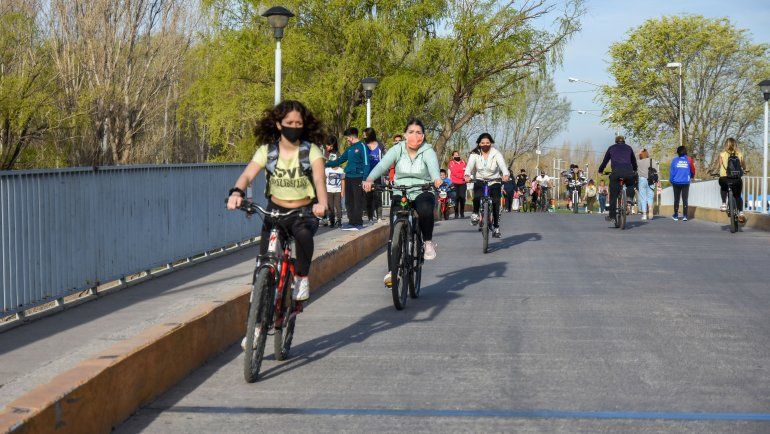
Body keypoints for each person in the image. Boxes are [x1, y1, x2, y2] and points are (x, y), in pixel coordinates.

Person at [226, 100, 327, 305]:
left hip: (303, 211)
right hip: (275, 211)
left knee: (304, 236)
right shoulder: (268, 151)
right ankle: (258, 320)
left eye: (299, 123)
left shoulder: (311, 151)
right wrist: (237, 192)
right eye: (289, 122)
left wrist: (322, 203)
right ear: (279, 124)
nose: (294, 127)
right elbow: (247, 175)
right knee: (264, 260)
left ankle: (301, 278)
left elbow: (319, 179)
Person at [363, 118, 442, 287]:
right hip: (401, 190)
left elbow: (434, 167)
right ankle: (392, 271)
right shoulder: (397, 149)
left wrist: (436, 179)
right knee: (394, 231)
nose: (415, 136)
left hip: (423, 189)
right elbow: (383, 165)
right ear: (405, 134)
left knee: (426, 210)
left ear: (423, 135)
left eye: (419, 133)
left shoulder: (427, 150)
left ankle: (427, 242)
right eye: (411, 132)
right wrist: (369, 179)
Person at [464, 133, 510, 238]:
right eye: (483, 143)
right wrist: (467, 175)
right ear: (479, 144)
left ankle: (496, 227)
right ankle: (475, 213)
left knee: (496, 202)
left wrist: (506, 174)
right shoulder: (474, 154)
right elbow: (469, 165)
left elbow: (502, 165)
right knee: (476, 197)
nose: (485, 145)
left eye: (487, 143)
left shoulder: (496, 153)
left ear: (491, 143)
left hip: (494, 180)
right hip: (480, 179)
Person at [326, 127, 370, 230]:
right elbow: (340, 160)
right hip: (348, 177)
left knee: (357, 200)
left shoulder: (362, 146)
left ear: (351, 137)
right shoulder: (349, 149)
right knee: (348, 201)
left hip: (358, 177)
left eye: (347, 138)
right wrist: (326, 164)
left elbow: (367, 164)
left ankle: (358, 222)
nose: (347, 140)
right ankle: (351, 222)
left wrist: (365, 179)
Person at [598, 135, 637, 223]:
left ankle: (612, 216)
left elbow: (605, 161)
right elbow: (634, 161)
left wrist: (600, 170)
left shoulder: (611, 148)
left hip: (616, 173)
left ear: (616, 141)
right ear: (624, 141)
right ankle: (629, 198)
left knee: (613, 195)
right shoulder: (629, 148)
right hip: (628, 172)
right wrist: (634, 170)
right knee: (631, 183)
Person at [717, 137, 746, 223]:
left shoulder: (722, 154)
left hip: (724, 179)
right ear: (735, 145)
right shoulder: (740, 154)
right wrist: (745, 169)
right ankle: (741, 213)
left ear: (726, 145)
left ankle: (723, 204)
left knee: (723, 187)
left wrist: (714, 172)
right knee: (738, 196)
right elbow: (743, 166)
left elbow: (719, 166)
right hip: (736, 179)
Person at [363, 127, 385, 223]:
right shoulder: (363, 146)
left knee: (377, 196)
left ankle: (379, 216)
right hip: (367, 175)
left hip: (377, 175)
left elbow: (385, 160)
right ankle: (370, 217)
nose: (363, 136)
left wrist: (386, 174)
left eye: (365, 134)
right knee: (368, 197)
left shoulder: (380, 145)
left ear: (370, 134)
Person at [669, 145, 695, 221]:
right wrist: (692, 176)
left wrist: (671, 180)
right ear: (685, 152)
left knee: (676, 199)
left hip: (676, 182)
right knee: (685, 199)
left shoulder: (674, 160)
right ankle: (685, 216)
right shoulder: (689, 160)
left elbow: (672, 171)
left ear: (678, 152)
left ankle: (676, 215)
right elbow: (693, 170)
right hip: (685, 182)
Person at [325, 153, 345, 228]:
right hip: (329, 191)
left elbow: (343, 181)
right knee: (330, 207)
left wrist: (342, 191)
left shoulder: (341, 170)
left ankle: (339, 221)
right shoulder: (327, 170)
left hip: (338, 191)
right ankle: (332, 222)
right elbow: (324, 180)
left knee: (338, 206)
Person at [636, 148, 655, 220]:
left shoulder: (638, 162)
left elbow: (636, 171)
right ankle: (650, 208)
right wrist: (658, 181)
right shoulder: (651, 160)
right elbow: (656, 171)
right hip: (651, 179)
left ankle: (644, 214)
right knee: (650, 196)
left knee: (643, 197)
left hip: (642, 180)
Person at [448, 150, 467, 218]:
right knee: (456, 198)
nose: (457, 156)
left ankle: (462, 212)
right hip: (454, 183)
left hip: (463, 183)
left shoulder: (463, 162)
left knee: (462, 198)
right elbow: (454, 172)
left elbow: (466, 170)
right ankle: (456, 213)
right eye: (455, 155)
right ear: (453, 156)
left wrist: (467, 177)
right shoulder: (451, 163)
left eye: (458, 155)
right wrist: (463, 176)